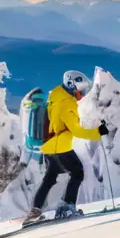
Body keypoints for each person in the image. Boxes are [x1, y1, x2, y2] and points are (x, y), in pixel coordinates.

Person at [23, 70, 109, 225]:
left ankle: (35, 210)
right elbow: (76, 130)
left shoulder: (56, 98)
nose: (82, 94)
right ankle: (67, 207)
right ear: (71, 85)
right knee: (77, 172)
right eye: (80, 89)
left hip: (49, 147)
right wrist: (98, 132)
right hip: (60, 147)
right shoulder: (67, 104)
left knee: (50, 178)